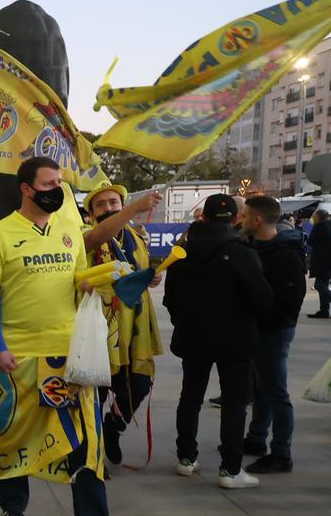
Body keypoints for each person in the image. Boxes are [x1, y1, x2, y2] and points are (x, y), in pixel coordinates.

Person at [0, 157, 125, 516]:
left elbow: (78, 279)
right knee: (13, 432)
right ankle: (13, 504)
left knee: (87, 441)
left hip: (71, 353)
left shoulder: (70, 228)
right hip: (19, 356)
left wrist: (98, 284)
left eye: (60, 181)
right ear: (26, 188)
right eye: (48, 183)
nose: (56, 188)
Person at [164, 194, 273, 489]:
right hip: (235, 339)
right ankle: (231, 468)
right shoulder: (241, 252)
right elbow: (262, 298)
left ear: (203, 217)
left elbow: (169, 298)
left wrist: (184, 322)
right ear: (236, 219)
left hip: (193, 337)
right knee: (235, 403)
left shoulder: (181, 252)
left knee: (190, 397)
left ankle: (186, 458)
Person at [79, 183, 164, 464]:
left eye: (113, 203)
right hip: (99, 327)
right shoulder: (85, 236)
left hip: (134, 324)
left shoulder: (136, 236)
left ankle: (113, 427)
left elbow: (137, 269)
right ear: (90, 213)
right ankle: (92, 453)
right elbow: (97, 241)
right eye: (101, 204)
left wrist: (149, 277)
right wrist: (132, 209)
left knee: (139, 384)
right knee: (96, 391)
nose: (108, 208)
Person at [240, 196, 306, 474]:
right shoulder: (254, 248)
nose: (240, 219)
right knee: (261, 389)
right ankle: (256, 439)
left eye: (244, 215)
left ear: (257, 219)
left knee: (275, 391)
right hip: (258, 331)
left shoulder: (285, 255)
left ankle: (281, 453)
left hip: (274, 332)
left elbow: (289, 302)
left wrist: (262, 318)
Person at [309, 209, 330, 319]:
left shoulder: (320, 226)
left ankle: (325, 309)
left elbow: (311, 241)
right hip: (328, 260)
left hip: (322, 260)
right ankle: (324, 311)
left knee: (319, 285)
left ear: (318, 217)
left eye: (314, 216)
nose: (312, 218)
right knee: (324, 284)